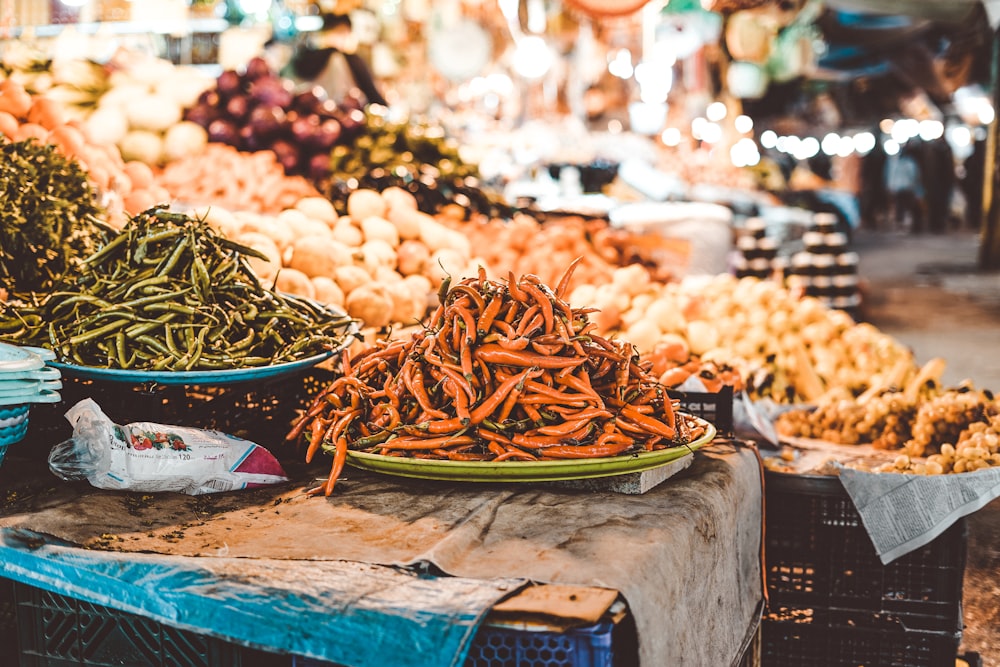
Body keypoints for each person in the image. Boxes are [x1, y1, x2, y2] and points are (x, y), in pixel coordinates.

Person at [289, 13, 387, 108]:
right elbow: (372, 95)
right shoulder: (341, 59)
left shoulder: (300, 58)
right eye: (341, 33)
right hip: (343, 114)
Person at [884, 144, 925, 233]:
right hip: (906, 188)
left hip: (901, 189)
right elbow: (915, 177)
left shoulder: (896, 162)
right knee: (904, 208)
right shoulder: (910, 163)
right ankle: (904, 225)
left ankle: (902, 225)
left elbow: (891, 176)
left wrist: (891, 186)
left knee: (901, 208)